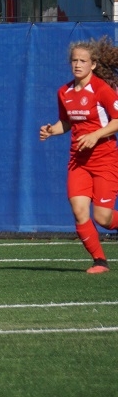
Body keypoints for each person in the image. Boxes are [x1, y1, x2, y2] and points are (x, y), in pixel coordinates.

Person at [39, 38, 118, 273]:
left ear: (93, 64)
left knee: (103, 218)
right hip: (78, 162)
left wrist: (96, 135)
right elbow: (66, 121)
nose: (77, 64)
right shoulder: (64, 92)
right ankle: (100, 261)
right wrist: (52, 130)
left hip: (105, 160)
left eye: (83, 60)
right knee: (79, 210)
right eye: (74, 60)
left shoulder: (102, 90)